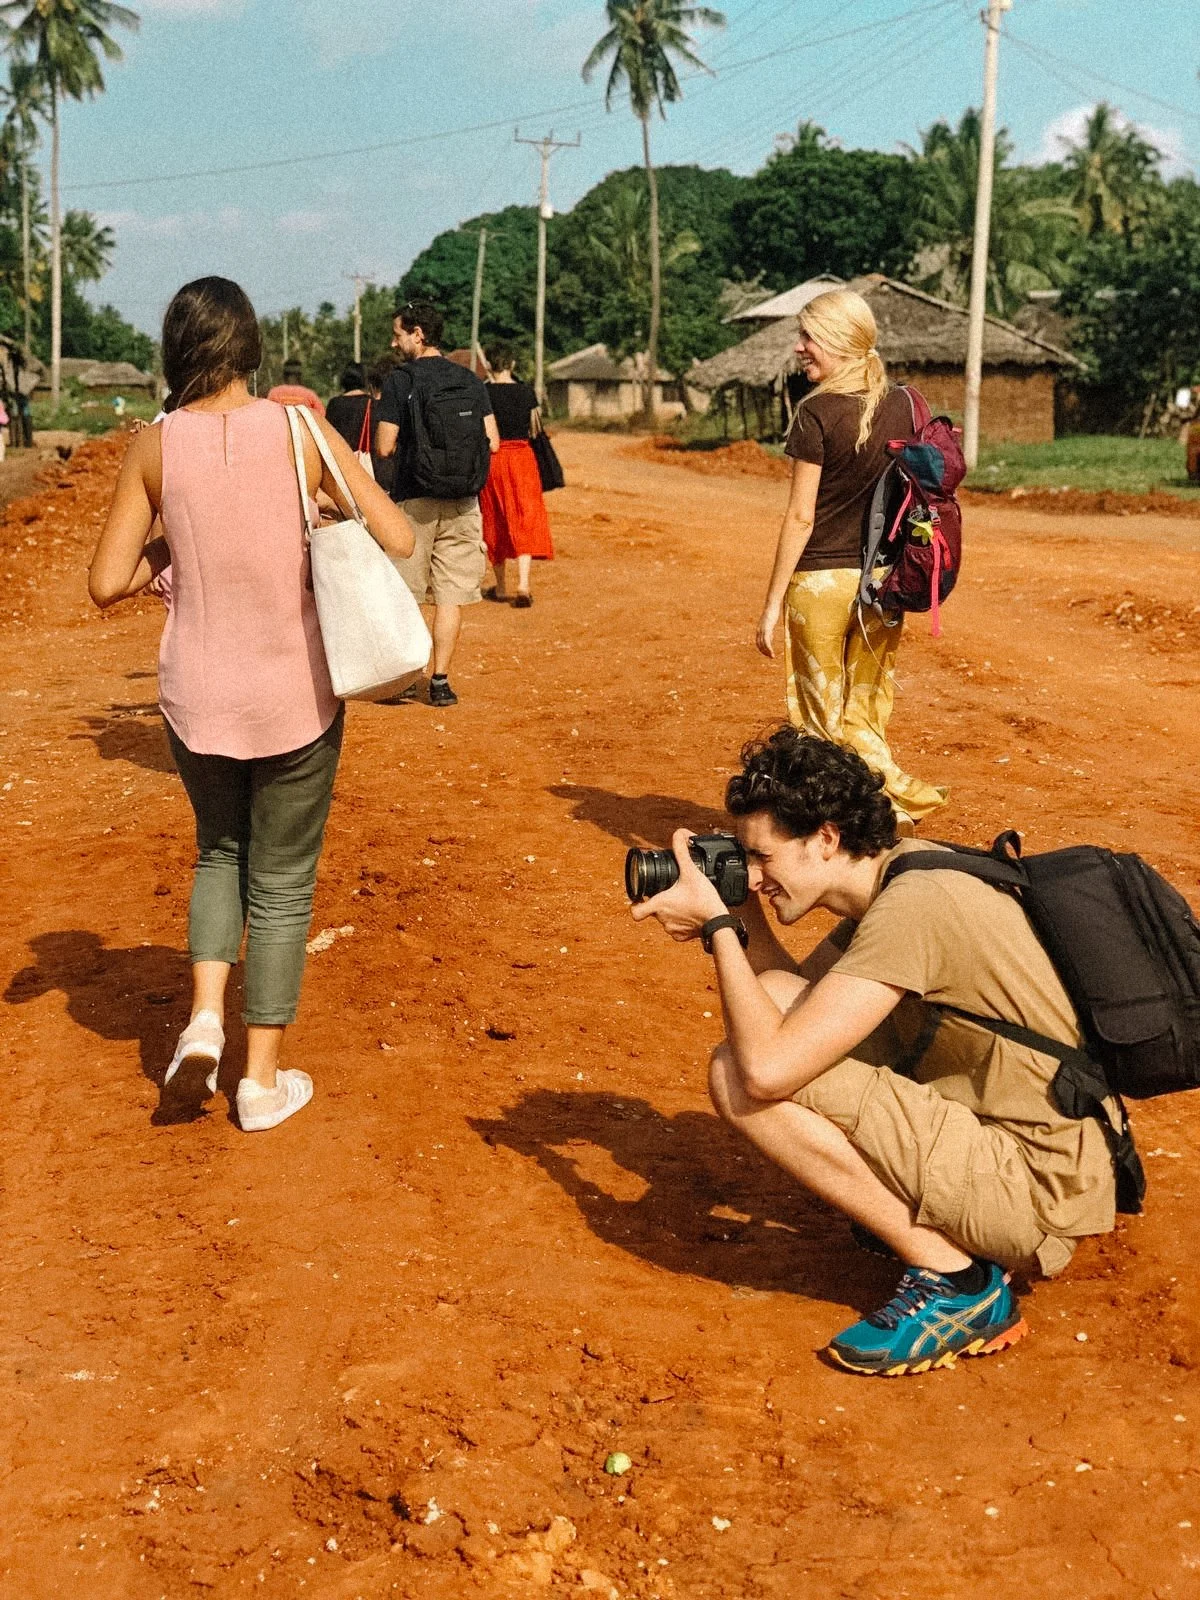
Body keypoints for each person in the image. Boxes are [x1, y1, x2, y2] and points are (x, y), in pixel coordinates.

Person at [632, 728, 1119, 1376]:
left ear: (826, 837)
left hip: (1037, 1194)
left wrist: (720, 931)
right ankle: (941, 1223)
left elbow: (768, 1067)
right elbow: (797, 1007)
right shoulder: (902, 874)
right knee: (778, 998)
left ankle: (960, 1283)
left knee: (737, 1077)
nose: (754, 874)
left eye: (763, 857)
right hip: (1050, 1151)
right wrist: (740, 909)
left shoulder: (910, 911)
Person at [88, 276, 414, 1132]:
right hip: (297, 695)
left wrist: (177, 530)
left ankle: (201, 1020)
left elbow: (105, 582)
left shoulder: (152, 447)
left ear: (176, 352)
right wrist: (312, 502)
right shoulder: (302, 429)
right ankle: (259, 1084)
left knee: (217, 854)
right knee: (282, 886)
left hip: (197, 696)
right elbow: (399, 536)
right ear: (252, 349)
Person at [756, 288, 945, 832]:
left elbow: (799, 518)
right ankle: (885, 812)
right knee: (866, 709)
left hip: (820, 584)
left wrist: (770, 607)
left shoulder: (814, 413)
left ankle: (838, 829)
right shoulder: (908, 405)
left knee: (820, 720)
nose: (799, 348)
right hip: (885, 583)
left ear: (838, 342)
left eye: (808, 337)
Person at [374, 299, 499, 707]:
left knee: (408, 593)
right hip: (464, 500)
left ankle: (408, 680)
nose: (394, 344)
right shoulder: (470, 380)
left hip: (415, 498)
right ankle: (440, 681)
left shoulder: (400, 381)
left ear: (418, 334)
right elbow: (493, 442)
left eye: (398, 334)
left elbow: (385, 445)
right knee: (450, 596)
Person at [479, 344, 553, 607]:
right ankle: (523, 585)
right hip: (522, 458)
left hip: (494, 458)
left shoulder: (483, 392)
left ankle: (500, 587)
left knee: (495, 518)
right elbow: (536, 429)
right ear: (512, 364)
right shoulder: (525, 391)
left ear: (489, 365)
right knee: (525, 516)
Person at [325, 362, 370, 453]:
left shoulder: (334, 404)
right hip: (367, 461)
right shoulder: (372, 403)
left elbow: (328, 435)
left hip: (341, 460)